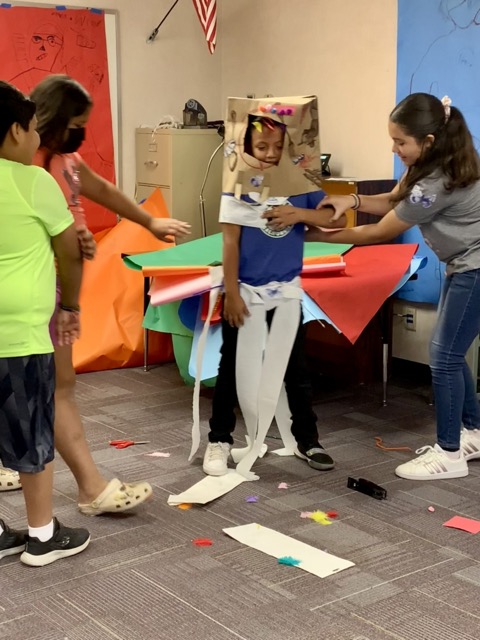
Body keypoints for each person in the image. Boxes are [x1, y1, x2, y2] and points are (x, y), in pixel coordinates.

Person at [0, 75, 191, 515]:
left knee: (43, 389)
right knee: (54, 390)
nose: (80, 135)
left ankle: (54, 478)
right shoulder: (29, 172)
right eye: (76, 125)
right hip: (42, 295)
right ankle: (87, 488)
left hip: (57, 291)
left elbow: (100, 189)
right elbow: (37, 236)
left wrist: (148, 221)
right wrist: (72, 246)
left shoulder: (63, 161)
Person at [266, 92, 480, 482]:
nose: (395, 148)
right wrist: (351, 198)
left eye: (401, 142)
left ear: (428, 141)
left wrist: (309, 232)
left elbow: (379, 230)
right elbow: (394, 199)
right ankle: (474, 432)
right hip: (463, 264)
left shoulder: (437, 179)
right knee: (452, 353)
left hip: (475, 268)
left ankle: (450, 453)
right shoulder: (430, 163)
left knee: (444, 356)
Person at [203, 116, 343, 476]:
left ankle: (307, 439)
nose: (270, 154)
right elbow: (230, 241)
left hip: (286, 294)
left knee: (296, 369)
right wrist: (231, 293)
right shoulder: (237, 185)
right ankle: (219, 440)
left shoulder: (299, 182)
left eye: (278, 147)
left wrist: (299, 213)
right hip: (246, 293)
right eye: (262, 146)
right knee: (231, 367)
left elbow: (336, 219)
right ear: (247, 147)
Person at [0, 81, 90, 566]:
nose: (37, 138)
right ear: (15, 130)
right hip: (18, 339)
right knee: (32, 433)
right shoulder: (32, 181)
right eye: (32, 128)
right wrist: (70, 304)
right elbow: (69, 249)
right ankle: (41, 535)